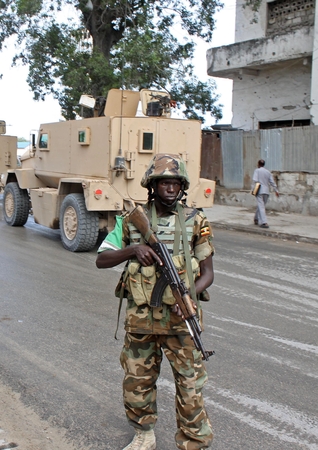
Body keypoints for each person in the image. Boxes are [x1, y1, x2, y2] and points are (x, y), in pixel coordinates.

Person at [96, 154, 215, 450]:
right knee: (138, 383)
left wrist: (188, 295)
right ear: (153, 185)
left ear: (182, 187)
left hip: (181, 321)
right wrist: (133, 250)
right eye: (165, 182)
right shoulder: (130, 221)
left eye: (176, 183)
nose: (171, 188)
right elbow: (102, 259)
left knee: (190, 388)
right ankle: (143, 434)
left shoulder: (195, 220)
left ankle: (193, 442)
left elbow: (209, 273)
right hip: (141, 321)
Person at [252, 159, 279, 229]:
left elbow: (255, 180)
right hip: (266, 191)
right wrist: (276, 190)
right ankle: (256, 218)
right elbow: (272, 182)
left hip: (259, 190)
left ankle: (264, 222)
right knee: (261, 205)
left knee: (261, 206)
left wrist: (253, 190)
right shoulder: (268, 172)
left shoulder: (257, 171)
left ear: (258, 164)